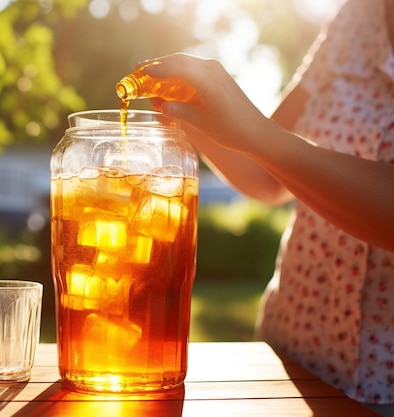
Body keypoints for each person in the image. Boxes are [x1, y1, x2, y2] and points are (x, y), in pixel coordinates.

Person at [133, 0, 394, 414]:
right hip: (290, 360)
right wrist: (188, 112)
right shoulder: (356, 18)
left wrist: (257, 132)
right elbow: (270, 176)